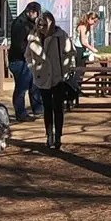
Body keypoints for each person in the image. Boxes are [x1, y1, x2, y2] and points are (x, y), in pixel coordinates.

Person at [29, 10, 73, 151]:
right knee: (47, 108)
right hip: (42, 77)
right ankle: (49, 136)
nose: (41, 28)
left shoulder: (61, 36)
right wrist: (33, 68)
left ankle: (58, 136)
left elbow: (70, 53)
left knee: (58, 108)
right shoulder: (33, 37)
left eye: (44, 25)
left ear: (51, 24)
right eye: (39, 25)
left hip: (57, 76)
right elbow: (28, 55)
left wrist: (65, 71)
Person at [8, 1, 42, 123]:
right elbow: (19, 44)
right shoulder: (19, 23)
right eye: (36, 13)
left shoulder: (31, 23)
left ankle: (38, 109)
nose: (37, 16)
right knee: (21, 87)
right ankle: (21, 113)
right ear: (31, 12)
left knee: (34, 84)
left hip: (29, 59)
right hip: (19, 60)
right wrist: (30, 53)